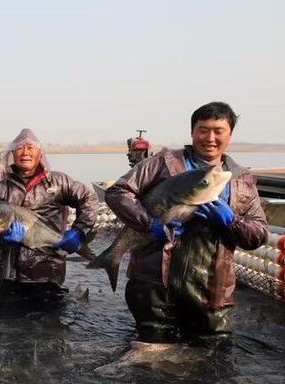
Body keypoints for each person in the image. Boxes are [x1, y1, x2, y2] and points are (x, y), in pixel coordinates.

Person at [106, 102, 268, 342]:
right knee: (150, 356)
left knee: (212, 358)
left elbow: (259, 235)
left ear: (230, 134)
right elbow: (118, 192)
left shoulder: (241, 179)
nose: (210, 137)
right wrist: (149, 223)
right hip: (154, 286)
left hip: (211, 290)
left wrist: (231, 222)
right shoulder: (163, 162)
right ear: (192, 132)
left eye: (218, 131)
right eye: (203, 130)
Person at [0, 128, 99, 297]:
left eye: (30, 148)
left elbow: (90, 198)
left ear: (40, 153)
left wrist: (79, 231)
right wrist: (2, 240)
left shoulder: (59, 182)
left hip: (47, 273)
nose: (25, 153)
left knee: (47, 322)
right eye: (20, 148)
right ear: (12, 153)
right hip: (6, 273)